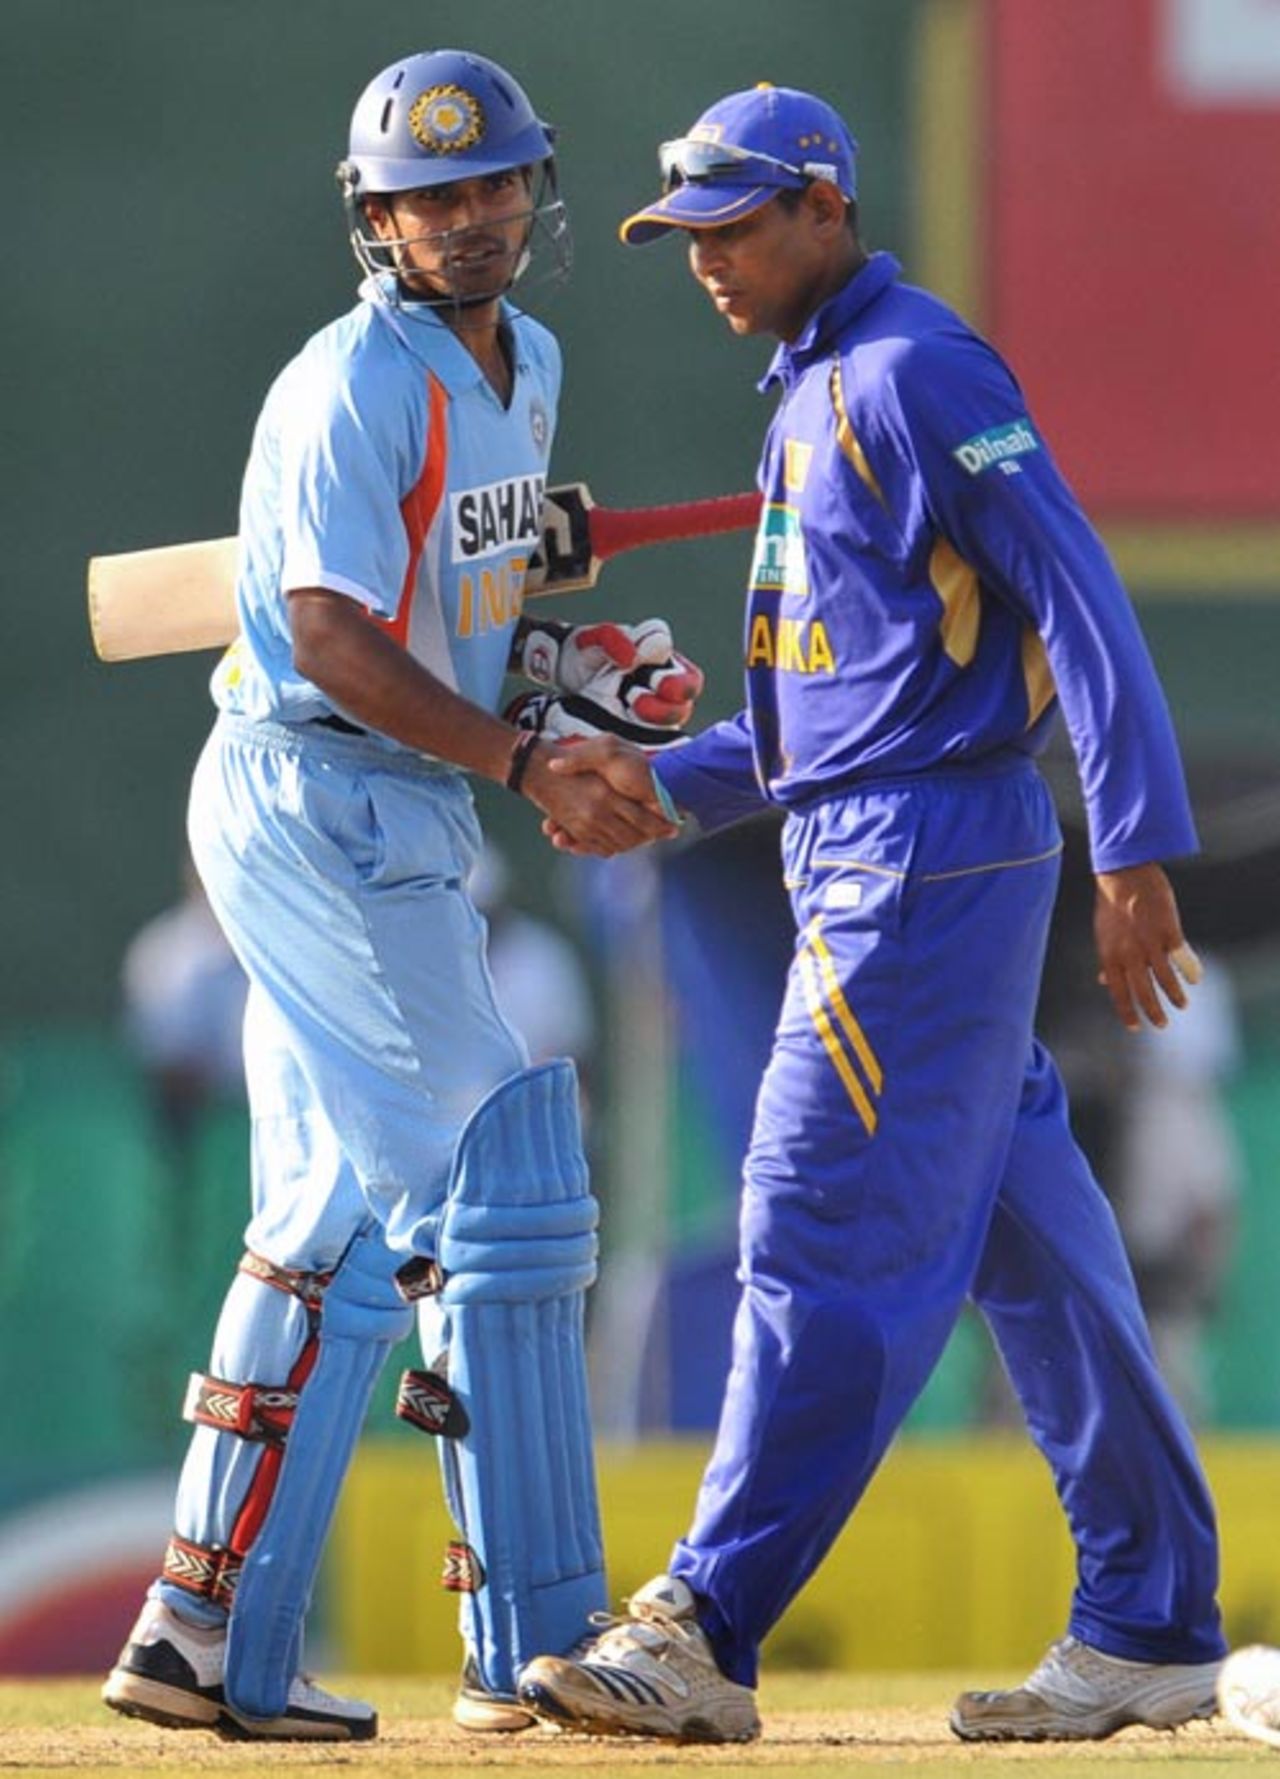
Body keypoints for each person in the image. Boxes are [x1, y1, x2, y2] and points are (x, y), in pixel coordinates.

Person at [516, 81, 1227, 1746]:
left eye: (737, 224)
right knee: (1031, 1243)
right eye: (687, 234)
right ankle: (1150, 1619)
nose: (706, 258)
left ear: (826, 206)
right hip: (880, 839)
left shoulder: (913, 371)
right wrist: (660, 786)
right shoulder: (817, 389)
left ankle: (704, 1624)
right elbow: (825, 712)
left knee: (814, 1213)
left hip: (916, 866)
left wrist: (1134, 853)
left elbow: (1082, 598)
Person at [101, 47, 696, 1744]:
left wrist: (562, 677)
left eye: (495, 182)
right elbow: (332, 635)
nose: (471, 216)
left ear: (534, 190)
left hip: (397, 794)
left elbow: (458, 606)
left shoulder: (532, 367)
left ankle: (204, 1633)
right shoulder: (353, 383)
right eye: (431, 196)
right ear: (374, 219)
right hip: (324, 796)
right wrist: (521, 761)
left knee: (336, 1225)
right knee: (493, 1194)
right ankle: (541, 1643)